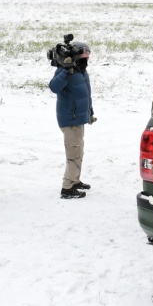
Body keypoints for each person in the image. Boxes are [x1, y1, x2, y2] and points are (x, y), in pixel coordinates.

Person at [48, 41, 95, 199]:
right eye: (85, 54)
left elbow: (86, 94)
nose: (87, 57)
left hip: (79, 118)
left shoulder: (81, 70)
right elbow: (54, 87)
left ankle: (75, 180)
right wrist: (66, 71)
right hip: (70, 119)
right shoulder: (66, 70)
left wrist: (89, 111)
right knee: (73, 153)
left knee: (79, 150)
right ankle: (67, 188)